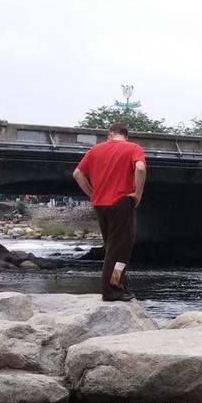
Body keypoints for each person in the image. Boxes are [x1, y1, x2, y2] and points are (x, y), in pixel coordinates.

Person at [72, 122, 146, 301]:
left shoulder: (95, 150)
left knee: (112, 248)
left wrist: (93, 194)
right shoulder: (133, 148)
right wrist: (138, 193)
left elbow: (77, 174)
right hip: (121, 202)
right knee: (120, 250)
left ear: (110, 133)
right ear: (126, 136)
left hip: (100, 205)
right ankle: (111, 290)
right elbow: (140, 168)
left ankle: (119, 284)